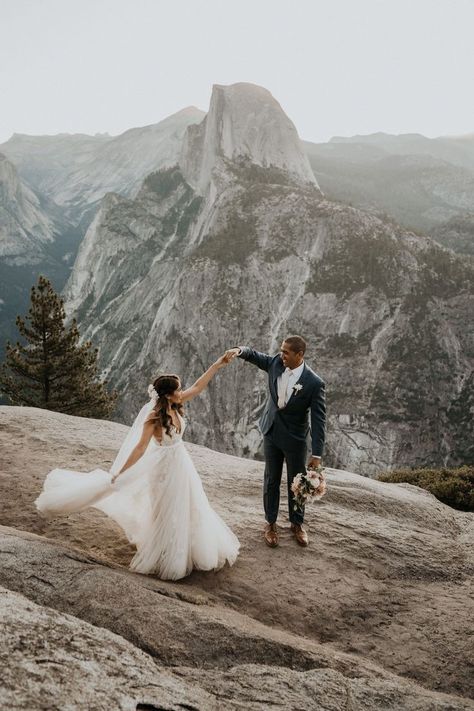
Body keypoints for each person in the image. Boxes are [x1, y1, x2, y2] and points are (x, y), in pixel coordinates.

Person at [35, 354, 240, 580]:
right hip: (163, 470)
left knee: (188, 505)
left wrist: (217, 364)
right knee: (165, 509)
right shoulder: (153, 417)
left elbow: (199, 386)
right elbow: (141, 448)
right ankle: (167, 553)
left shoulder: (176, 403)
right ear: (169, 394)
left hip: (181, 464)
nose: (182, 392)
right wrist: (121, 471)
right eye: (178, 389)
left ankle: (186, 548)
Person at [226, 335, 325, 548]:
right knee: (271, 479)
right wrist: (238, 350)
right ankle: (270, 523)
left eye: (286, 353)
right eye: (281, 351)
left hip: (296, 440)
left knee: (297, 484)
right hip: (271, 432)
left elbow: (319, 420)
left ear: (300, 355)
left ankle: (296, 524)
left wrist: (316, 454)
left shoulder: (314, 383)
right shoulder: (275, 363)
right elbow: (253, 355)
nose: (281, 356)